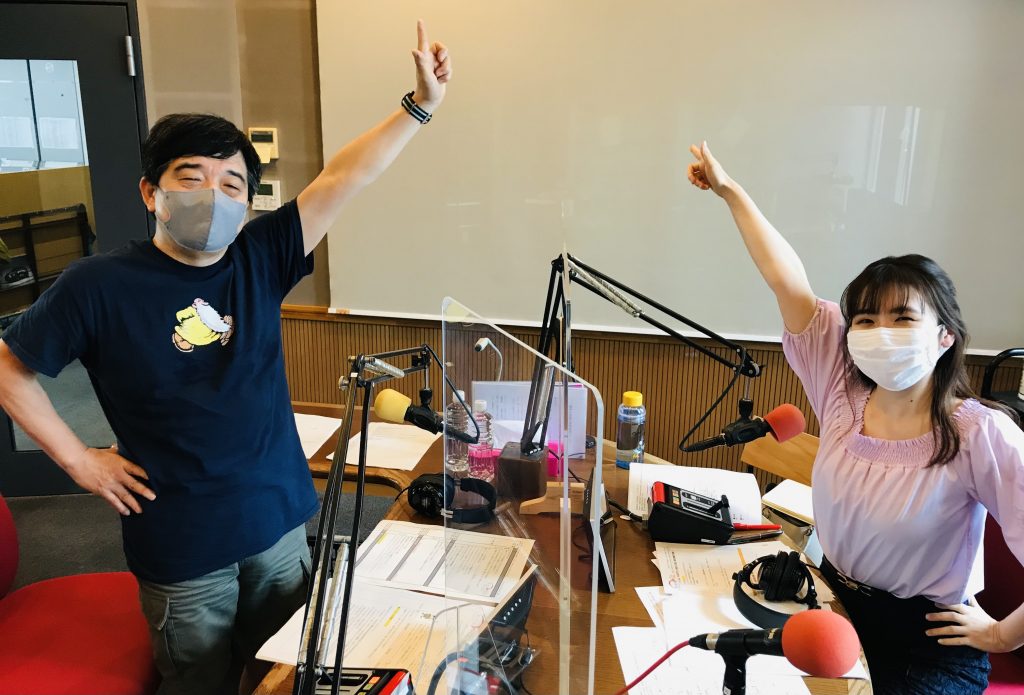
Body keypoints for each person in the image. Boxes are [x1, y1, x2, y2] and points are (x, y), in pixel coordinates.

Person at [0, 20, 451, 695]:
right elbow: (8, 366)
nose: (214, 196)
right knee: (199, 681)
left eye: (233, 184)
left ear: (248, 201)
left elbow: (344, 176)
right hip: (182, 544)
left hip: (277, 521)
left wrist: (420, 106)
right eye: (192, 177)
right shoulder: (98, 285)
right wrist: (78, 459)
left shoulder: (260, 255)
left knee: (283, 674)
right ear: (151, 193)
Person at [686, 141, 1024, 693]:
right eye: (865, 319)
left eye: (902, 317)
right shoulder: (839, 387)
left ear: (945, 337)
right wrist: (730, 192)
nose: (878, 331)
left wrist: (1002, 635)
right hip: (831, 609)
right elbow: (786, 280)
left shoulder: (978, 433)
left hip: (926, 648)